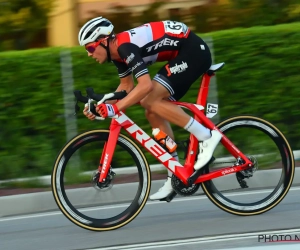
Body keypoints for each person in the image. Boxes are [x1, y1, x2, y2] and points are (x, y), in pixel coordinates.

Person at [79, 17, 222, 200]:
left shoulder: (125, 47)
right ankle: (175, 173)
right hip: (182, 54)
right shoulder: (117, 55)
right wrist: (102, 107)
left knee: (149, 99)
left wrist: (116, 109)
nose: (89, 54)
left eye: (90, 48)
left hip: (192, 52)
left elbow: (145, 85)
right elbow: (126, 87)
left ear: (104, 41)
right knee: (151, 110)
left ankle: (206, 136)